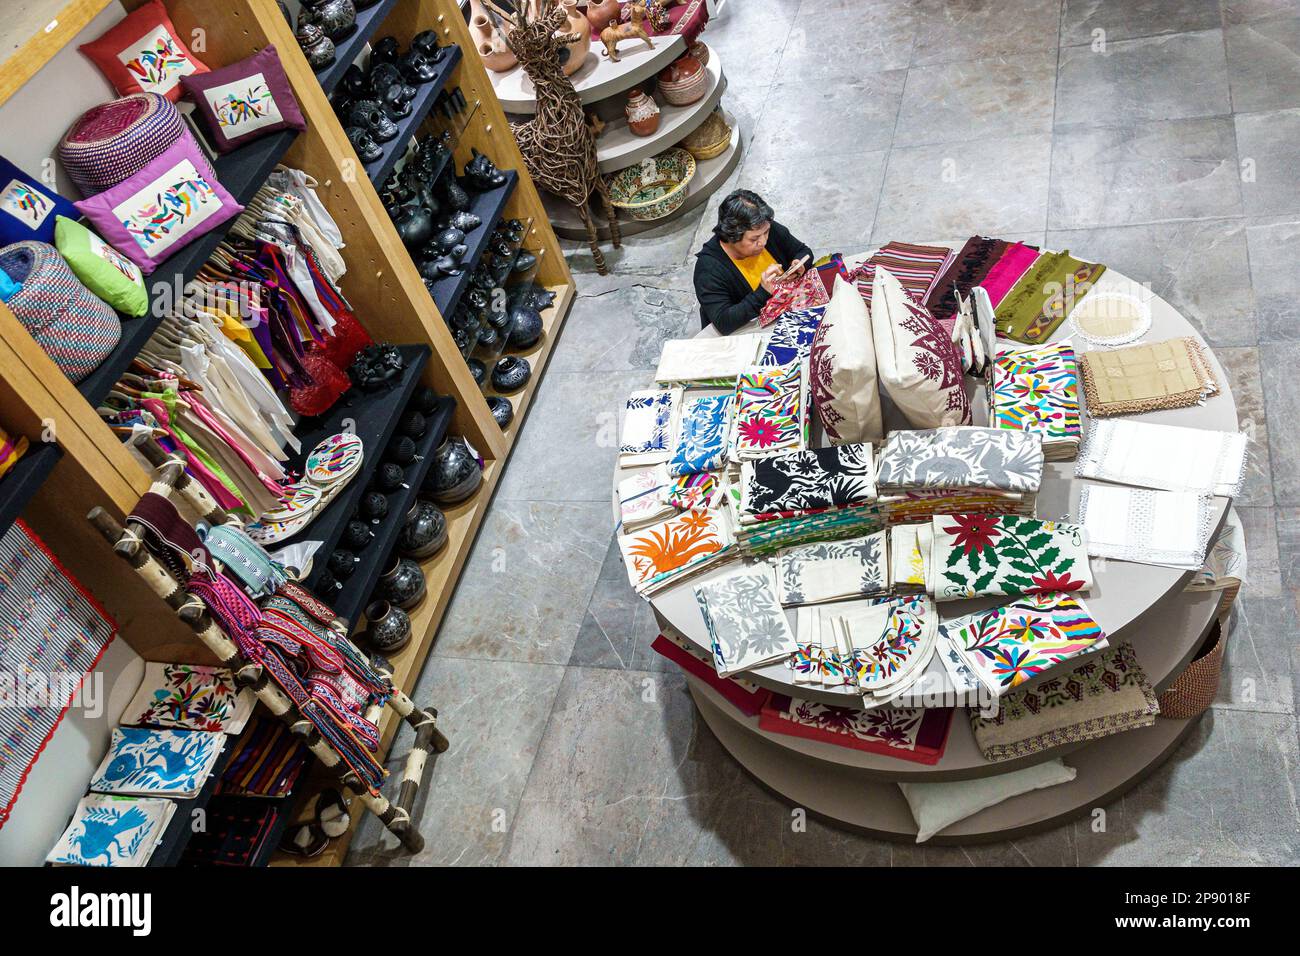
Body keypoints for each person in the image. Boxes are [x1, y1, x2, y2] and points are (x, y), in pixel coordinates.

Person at [692, 189, 815, 334]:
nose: (763, 242)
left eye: (766, 233)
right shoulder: (708, 269)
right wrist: (763, 292)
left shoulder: (764, 227)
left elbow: (803, 251)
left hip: (786, 311)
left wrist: (799, 264)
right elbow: (724, 322)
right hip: (747, 330)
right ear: (731, 236)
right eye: (754, 239)